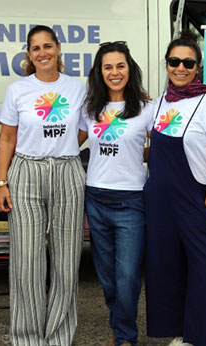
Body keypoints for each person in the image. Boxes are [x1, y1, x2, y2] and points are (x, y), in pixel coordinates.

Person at [144, 29, 206, 346]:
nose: (180, 68)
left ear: (198, 66)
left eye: (188, 62)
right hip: (161, 205)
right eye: (174, 61)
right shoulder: (159, 103)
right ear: (167, 64)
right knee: (168, 270)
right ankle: (182, 335)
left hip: (196, 199)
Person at [0, 25, 86, 346]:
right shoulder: (18, 90)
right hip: (25, 173)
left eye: (48, 46)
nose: (43, 53)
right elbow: (6, 137)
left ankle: (59, 336)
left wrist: (63, 150)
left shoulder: (78, 88)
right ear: (29, 55)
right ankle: (27, 338)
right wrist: (2, 182)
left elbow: (86, 129)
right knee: (27, 261)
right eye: (36, 48)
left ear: (59, 49)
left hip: (67, 173)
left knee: (66, 260)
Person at [80, 41, 152, 346]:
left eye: (120, 65)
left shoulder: (147, 108)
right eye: (107, 67)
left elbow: (163, 148)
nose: (114, 72)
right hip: (95, 199)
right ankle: (120, 329)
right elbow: (71, 143)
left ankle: (125, 337)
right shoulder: (89, 108)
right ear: (99, 72)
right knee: (108, 278)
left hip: (131, 202)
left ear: (130, 69)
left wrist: (138, 155)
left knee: (127, 277)